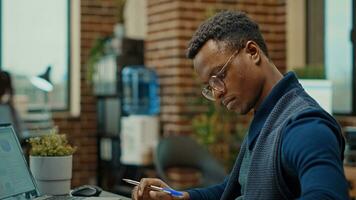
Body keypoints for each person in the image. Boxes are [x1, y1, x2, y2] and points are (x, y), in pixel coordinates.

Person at [132, 11, 349, 200]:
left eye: (219, 76)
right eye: (210, 85)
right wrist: (181, 196)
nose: (217, 94)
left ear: (252, 52)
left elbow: (328, 195)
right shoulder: (266, 116)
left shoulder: (304, 126)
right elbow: (235, 189)